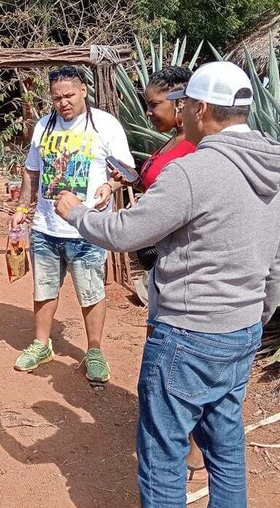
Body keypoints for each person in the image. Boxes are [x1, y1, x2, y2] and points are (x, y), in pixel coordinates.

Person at [54, 61, 280, 507]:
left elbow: (125, 233)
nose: (180, 114)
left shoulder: (192, 172)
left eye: (185, 106)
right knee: (225, 448)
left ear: (201, 108)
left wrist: (75, 214)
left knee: (163, 455)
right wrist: (252, 320)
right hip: (241, 332)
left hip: (187, 334)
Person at [9, 65, 135, 382]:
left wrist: (112, 187)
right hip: (46, 227)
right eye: (57, 97)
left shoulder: (106, 126)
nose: (64, 102)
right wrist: (23, 207)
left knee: (90, 291)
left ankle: (94, 351)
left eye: (69, 95)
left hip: (88, 227)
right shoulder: (43, 127)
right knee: (44, 288)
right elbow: (31, 171)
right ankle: (41, 344)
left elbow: (127, 172)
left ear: (83, 91)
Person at [113, 66, 207, 482]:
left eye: (153, 104)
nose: (148, 112)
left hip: (180, 267)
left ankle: (186, 450)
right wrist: (134, 178)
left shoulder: (194, 148)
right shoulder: (176, 140)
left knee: (173, 363)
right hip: (164, 262)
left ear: (181, 102)